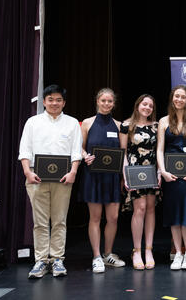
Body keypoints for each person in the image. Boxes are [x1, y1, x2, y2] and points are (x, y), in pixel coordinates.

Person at [18, 84, 82, 278]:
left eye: (58, 100)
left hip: (63, 180)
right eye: (51, 99)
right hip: (36, 178)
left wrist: (73, 172)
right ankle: (40, 261)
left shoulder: (72, 123)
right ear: (44, 101)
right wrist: (27, 173)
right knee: (39, 222)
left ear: (64, 102)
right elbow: (25, 150)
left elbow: (76, 151)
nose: (54, 103)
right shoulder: (32, 122)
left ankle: (57, 260)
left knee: (59, 221)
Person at [156, 85, 186, 270]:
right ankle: (178, 253)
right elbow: (160, 149)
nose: (180, 100)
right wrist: (163, 171)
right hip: (171, 176)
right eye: (177, 96)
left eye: (183, 97)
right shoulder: (164, 121)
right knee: (174, 214)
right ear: (172, 98)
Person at [79, 88, 125, 273]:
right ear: (97, 101)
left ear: (114, 104)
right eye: (103, 100)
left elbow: (123, 154)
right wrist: (85, 156)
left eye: (110, 101)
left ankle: (108, 254)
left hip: (113, 178)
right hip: (93, 177)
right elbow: (80, 148)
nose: (106, 104)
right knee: (95, 218)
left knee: (113, 218)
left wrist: (124, 178)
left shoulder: (119, 125)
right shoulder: (87, 123)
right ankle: (96, 256)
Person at [120, 94, 161, 270]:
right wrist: (125, 175)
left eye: (150, 106)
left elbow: (160, 150)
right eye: (144, 104)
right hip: (134, 172)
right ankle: (136, 250)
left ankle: (148, 250)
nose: (147, 108)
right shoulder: (126, 125)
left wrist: (159, 171)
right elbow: (123, 153)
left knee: (151, 208)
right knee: (140, 208)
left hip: (151, 170)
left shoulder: (157, 126)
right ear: (138, 105)